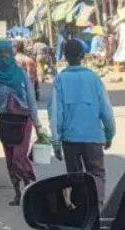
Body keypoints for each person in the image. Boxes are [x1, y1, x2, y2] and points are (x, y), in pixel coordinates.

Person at [49, 37, 116, 203]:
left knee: (75, 177)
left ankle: (81, 211)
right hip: (93, 137)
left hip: (70, 139)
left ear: (65, 57)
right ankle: (98, 207)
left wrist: (56, 141)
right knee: (97, 174)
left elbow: (56, 113)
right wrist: (109, 133)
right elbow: (106, 109)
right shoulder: (93, 78)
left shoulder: (60, 80)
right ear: (82, 56)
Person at [0, 39, 41, 204]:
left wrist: (38, 125)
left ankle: (31, 187)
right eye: (1, 53)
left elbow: (31, 100)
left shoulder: (22, 75)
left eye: (6, 52)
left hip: (23, 120)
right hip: (5, 121)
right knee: (9, 159)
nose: (4, 55)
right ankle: (18, 193)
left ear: (11, 54)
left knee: (19, 157)